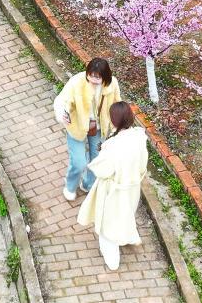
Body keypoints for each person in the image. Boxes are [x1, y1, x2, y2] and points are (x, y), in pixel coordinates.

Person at [76, 101, 149, 272]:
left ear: (114, 121)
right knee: (127, 214)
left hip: (113, 190)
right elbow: (142, 165)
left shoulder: (114, 146)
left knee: (107, 225)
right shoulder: (139, 138)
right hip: (131, 187)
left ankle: (113, 261)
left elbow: (102, 169)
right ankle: (130, 236)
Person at [52, 58, 122, 202]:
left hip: (99, 128)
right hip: (77, 126)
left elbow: (116, 104)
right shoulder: (77, 82)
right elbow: (63, 101)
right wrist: (62, 113)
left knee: (97, 160)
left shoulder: (112, 84)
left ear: (105, 76)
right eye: (91, 76)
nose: (94, 80)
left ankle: (88, 184)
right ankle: (70, 187)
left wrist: (117, 126)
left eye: (98, 77)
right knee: (79, 162)